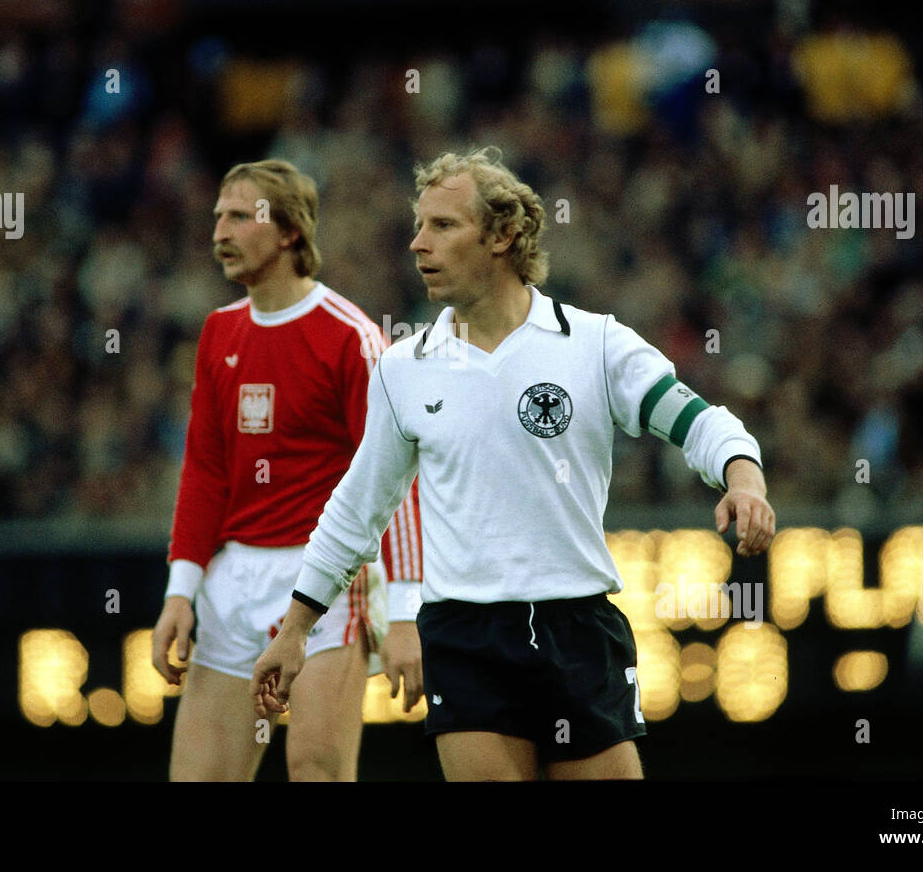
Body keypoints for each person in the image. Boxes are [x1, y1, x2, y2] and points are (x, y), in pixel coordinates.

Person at [251, 147, 774, 781]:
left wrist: (743, 479)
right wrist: (294, 630)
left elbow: (698, 420)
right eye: (418, 226)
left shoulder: (595, 343)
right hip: (465, 636)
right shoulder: (403, 369)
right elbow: (357, 509)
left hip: (578, 628)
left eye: (442, 226)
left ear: (503, 235)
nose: (418, 244)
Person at [151, 159, 422, 782]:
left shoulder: (350, 336)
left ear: (290, 232)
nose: (220, 229)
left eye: (241, 216)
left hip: (328, 580)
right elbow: (204, 472)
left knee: (317, 770)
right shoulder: (219, 331)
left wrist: (406, 610)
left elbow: (397, 481)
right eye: (218, 215)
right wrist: (180, 591)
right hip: (234, 579)